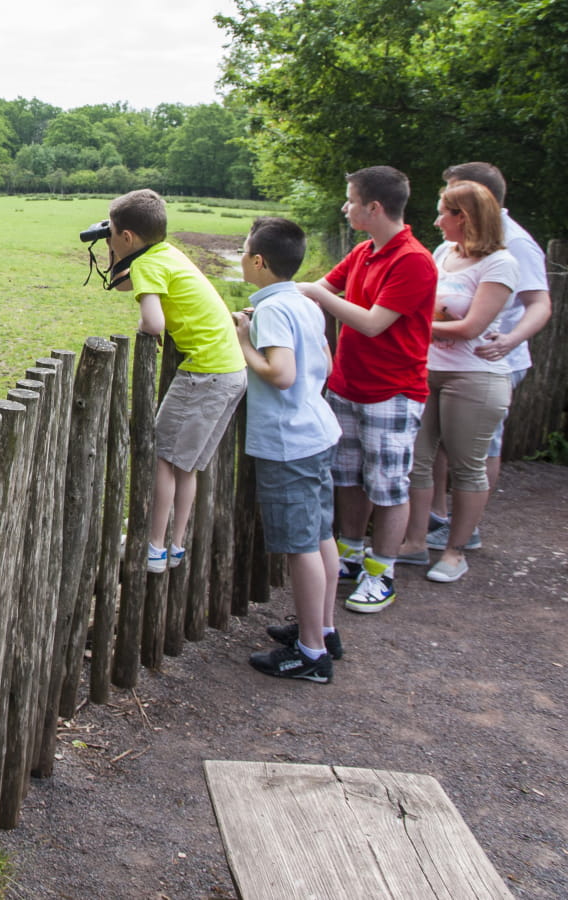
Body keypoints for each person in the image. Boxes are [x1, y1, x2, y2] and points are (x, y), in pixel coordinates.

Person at [297, 166, 436, 614]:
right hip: (348, 385)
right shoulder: (364, 252)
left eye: (351, 200)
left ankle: (382, 573)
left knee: (389, 487)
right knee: (348, 477)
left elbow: (374, 323)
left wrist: (317, 296)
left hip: (391, 392)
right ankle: (352, 556)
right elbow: (322, 287)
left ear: (374, 207)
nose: (345, 207)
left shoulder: (412, 260)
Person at [102, 189, 247, 574]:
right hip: (230, 370)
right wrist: (114, 250)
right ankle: (174, 544)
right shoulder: (166, 254)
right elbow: (120, 283)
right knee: (185, 466)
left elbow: (153, 323)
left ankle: (152, 546)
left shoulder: (149, 264)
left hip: (205, 373)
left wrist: (142, 325)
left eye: (112, 232)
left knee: (162, 457)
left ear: (128, 237)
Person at [415, 162, 553, 556]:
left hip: (488, 358)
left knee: (478, 448)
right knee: (437, 446)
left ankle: (466, 530)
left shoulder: (515, 245)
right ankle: (438, 517)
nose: (441, 214)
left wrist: (509, 340)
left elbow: (539, 303)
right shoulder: (450, 247)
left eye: (453, 198)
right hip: (443, 359)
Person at [233, 217, 343, 682]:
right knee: (321, 536)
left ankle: (311, 653)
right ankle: (325, 628)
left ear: (258, 261)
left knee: (300, 547)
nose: (241, 257)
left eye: (243, 250)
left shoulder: (275, 312)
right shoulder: (304, 304)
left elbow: (281, 373)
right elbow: (326, 362)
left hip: (288, 443)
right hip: (317, 431)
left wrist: (243, 341)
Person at [395, 181, 518, 583]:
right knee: (418, 458)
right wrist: (437, 322)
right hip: (427, 369)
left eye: (443, 212)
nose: (436, 221)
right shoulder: (443, 253)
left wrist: (423, 324)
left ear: (463, 217)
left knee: (467, 466)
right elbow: (435, 310)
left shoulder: (500, 264)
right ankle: (414, 542)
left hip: (475, 376)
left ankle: (454, 551)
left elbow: (470, 327)